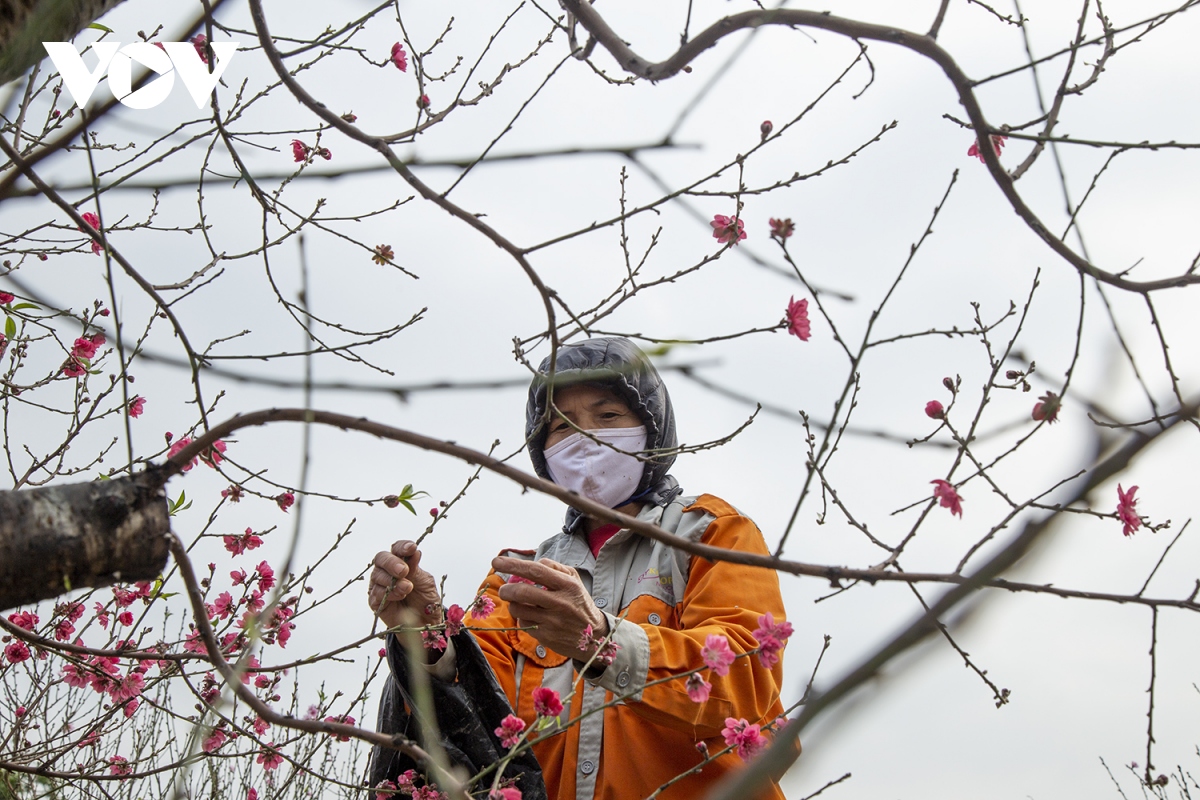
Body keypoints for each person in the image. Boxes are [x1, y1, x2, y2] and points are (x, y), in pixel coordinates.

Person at [367, 337, 790, 800]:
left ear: (653, 428)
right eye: (560, 426)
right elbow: (478, 722)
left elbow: (748, 685)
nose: (585, 439)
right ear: (541, 451)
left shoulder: (712, 535)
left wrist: (604, 641)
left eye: (608, 417)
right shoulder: (515, 580)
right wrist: (427, 637)